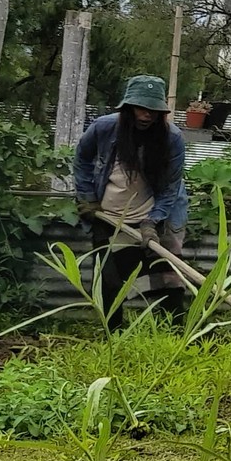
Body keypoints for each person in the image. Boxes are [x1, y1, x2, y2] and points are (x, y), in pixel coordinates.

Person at [72, 75, 189, 329]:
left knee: (167, 278)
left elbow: (170, 188)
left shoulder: (172, 139)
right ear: (127, 108)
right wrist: (87, 198)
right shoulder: (103, 128)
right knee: (110, 280)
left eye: (153, 111)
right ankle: (113, 334)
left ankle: (175, 333)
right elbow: (81, 160)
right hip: (109, 215)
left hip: (157, 213)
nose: (146, 115)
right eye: (140, 108)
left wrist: (152, 222)